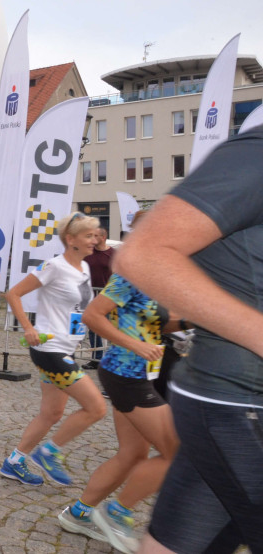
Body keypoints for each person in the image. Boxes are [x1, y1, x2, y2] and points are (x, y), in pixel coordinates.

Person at [113, 127, 263, 553]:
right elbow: (140, 259)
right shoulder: (255, 156)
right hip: (234, 400)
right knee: (133, 447)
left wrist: (171, 328)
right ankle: (101, 508)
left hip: (204, 391)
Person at [55, 212, 179, 554]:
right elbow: (95, 314)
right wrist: (135, 344)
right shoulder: (133, 272)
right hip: (127, 373)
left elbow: (156, 322)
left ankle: (79, 514)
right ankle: (118, 513)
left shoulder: (158, 275)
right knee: (178, 452)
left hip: (142, 373)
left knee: (134, 452)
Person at [0, 212, 106, 487]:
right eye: (88, 235)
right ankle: (49, 452)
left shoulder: (84, 268)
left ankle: (14, 462)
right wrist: (28, 328)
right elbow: (13, 293)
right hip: (50, 350)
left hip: (65, 349)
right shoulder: (54, 266)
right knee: (96, 407)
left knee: (52, 414)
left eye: (95, 235)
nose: (95, 240)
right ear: (71, 240)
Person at [82, 226, 114, 369]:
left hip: (108, 296)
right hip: (91, 295)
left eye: (96, 236)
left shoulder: (113, 254)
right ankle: (96, 358)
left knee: (109, 327)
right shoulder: (88, 253)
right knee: (93, 326)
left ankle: (111, 357)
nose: (93, 239)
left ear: (103, 237)